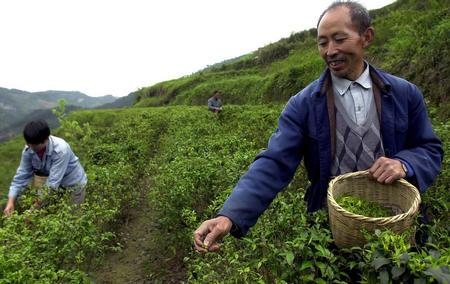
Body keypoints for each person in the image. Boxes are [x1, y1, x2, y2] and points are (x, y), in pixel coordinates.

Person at [193, 1, 443, 252]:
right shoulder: (304, 105)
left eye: (339, 39)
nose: (330, 50)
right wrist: (230, 215)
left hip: (398, 218)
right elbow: (274, 162)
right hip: (333, 227)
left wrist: (404, 163)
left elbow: (429, 148)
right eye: (323, 43)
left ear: (366, 37)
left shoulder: (404, 94)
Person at [3, 120, 88, 216]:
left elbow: (52, 184)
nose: (31, 147)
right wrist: (10, 202)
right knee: (49, 216)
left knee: (72, 217)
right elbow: (21, 177)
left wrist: (32, 210)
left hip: (74, 184)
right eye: (29, 143)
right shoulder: (28, 150)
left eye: (35, 145)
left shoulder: (60, 150)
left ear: (46, 139)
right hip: (54, 186)